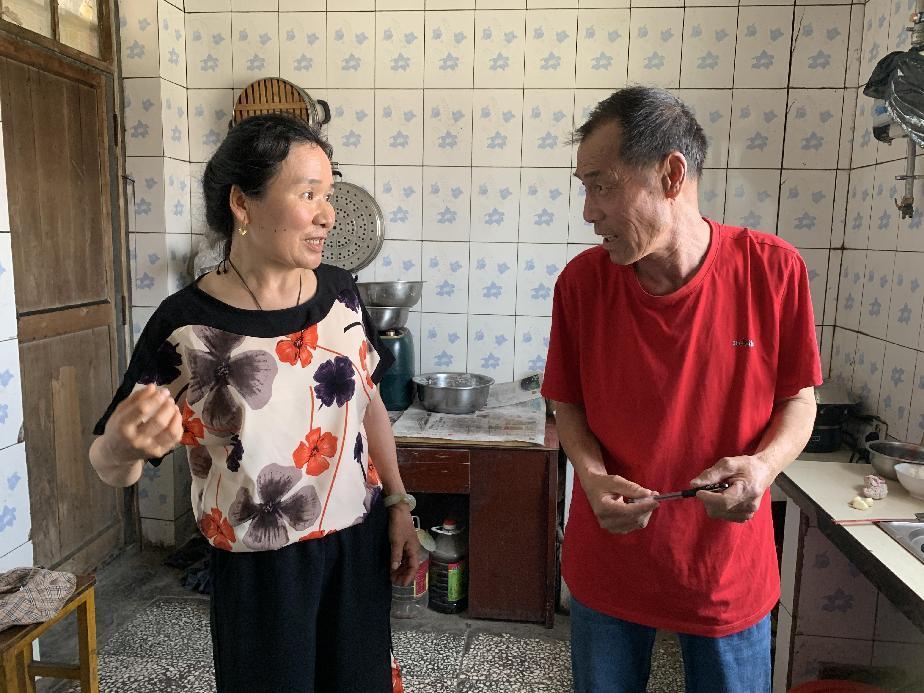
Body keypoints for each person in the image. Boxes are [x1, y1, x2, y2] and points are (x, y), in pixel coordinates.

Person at [89, 113, 419, 692]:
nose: (328, 214)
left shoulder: (342, 293)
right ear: (242, 203)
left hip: (356, 544)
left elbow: (369, 407)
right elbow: (109, 460)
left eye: (329, 194)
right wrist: (119, 445)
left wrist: (398, 503)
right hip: (258, 566)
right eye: (308, 194)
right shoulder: (186, 325)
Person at [541, 86, 820, 692]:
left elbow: (798, 400)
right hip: (610, 564)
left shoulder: (773, 269)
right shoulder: (581, 284)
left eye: (602, 186)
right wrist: (591, 476)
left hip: (723, 570)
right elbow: (567, 403)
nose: (589, 212)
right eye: (585, 188)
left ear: (671, 175)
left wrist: (763, 468)